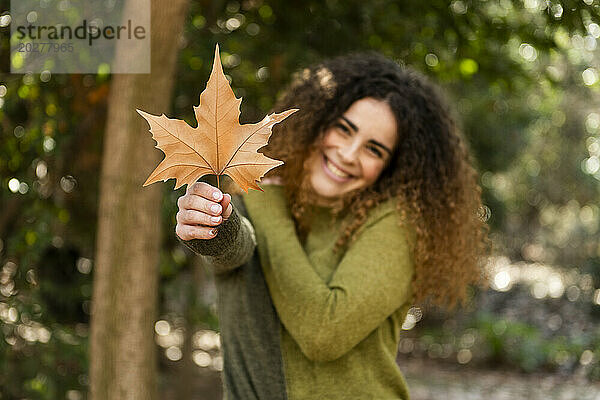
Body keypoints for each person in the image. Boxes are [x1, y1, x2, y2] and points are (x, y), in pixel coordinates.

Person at [175, 52, 488, 400]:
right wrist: (210, 223)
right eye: (344, 129)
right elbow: (236, 248)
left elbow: (324, 332)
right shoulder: (256, 200)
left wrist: (269, 202)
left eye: (374, 150)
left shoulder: (396, 223)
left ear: (391, 167)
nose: (349, 154)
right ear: (318, 120)